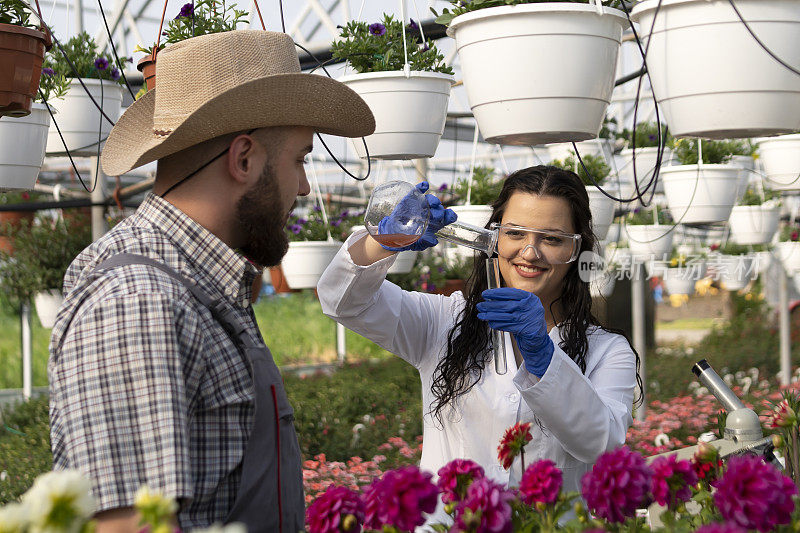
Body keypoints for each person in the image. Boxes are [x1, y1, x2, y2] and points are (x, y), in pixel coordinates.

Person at [48, 30, 374, 533]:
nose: (305, 187)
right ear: (244, 159)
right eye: (300, 159)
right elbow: (128, 526)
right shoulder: (139, 302)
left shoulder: (197, 283)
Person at [317, 165, 641, 523]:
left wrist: (545, 357)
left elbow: (600, 443)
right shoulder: (444, 322)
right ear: (494, 238)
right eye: (515, 233)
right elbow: (342, 301)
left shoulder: (607, 351)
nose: (529, 252)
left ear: (577, 249)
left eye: (552, 239)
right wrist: (383, 240)